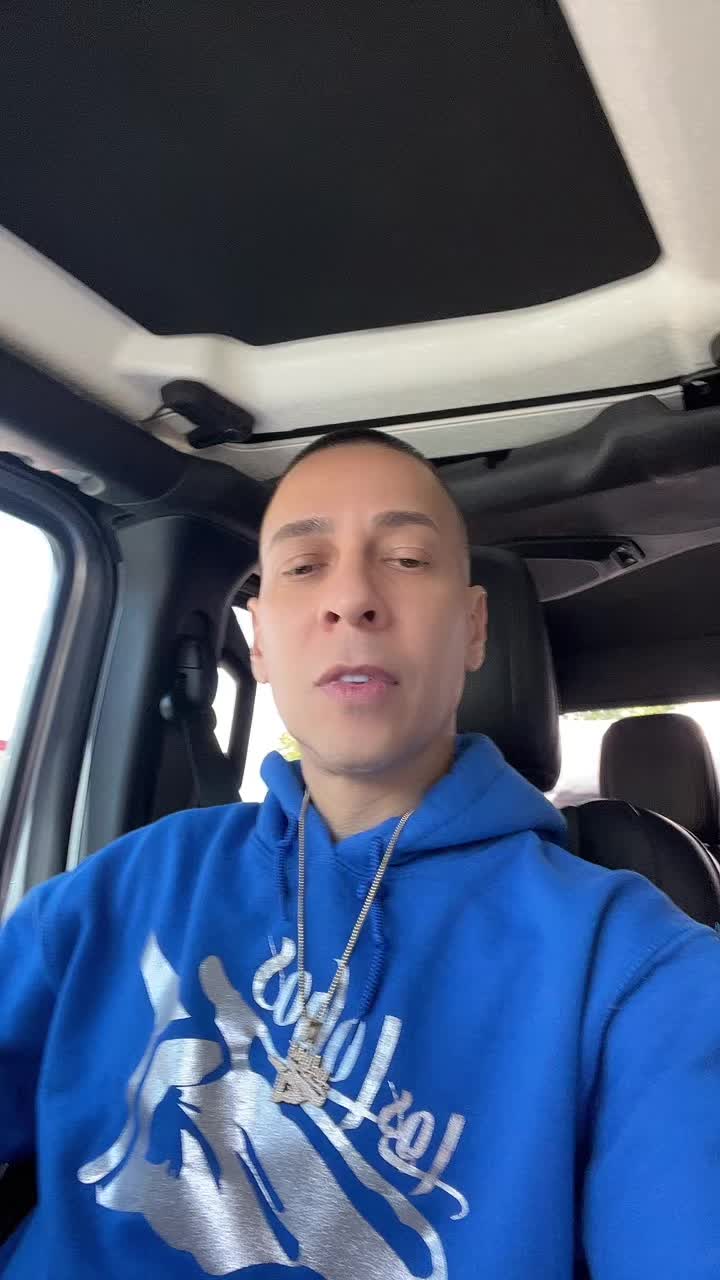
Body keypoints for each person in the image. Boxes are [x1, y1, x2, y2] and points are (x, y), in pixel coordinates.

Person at [0, 427, 719, 1280]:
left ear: (474, 629)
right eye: (305, 566)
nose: (352, 599)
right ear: (259, 642)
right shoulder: (124, 885)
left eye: (407, 559)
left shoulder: (634, 967)